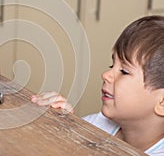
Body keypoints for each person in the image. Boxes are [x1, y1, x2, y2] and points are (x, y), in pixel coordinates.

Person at [31, 15, 164, 155]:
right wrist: (63, 125)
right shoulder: (98, 124)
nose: (106, 75)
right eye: (112, 65)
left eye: (124, 72)